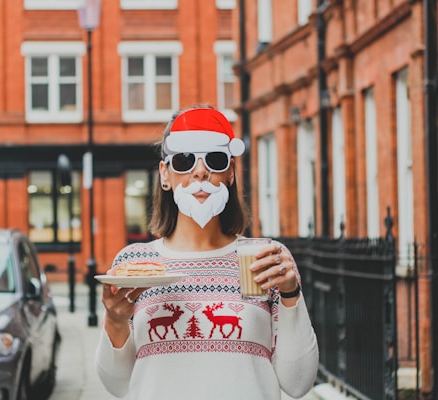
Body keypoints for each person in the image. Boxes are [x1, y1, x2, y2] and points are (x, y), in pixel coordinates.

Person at [95, 105, 318, 400]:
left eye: (214, 159)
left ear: (230, 174)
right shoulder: (135, 264)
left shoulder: (265, 260)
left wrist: (290, 294)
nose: (200, 171)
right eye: (185, 161)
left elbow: (298, 382)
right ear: (165, 175)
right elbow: (118, 384)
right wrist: (114, 319)